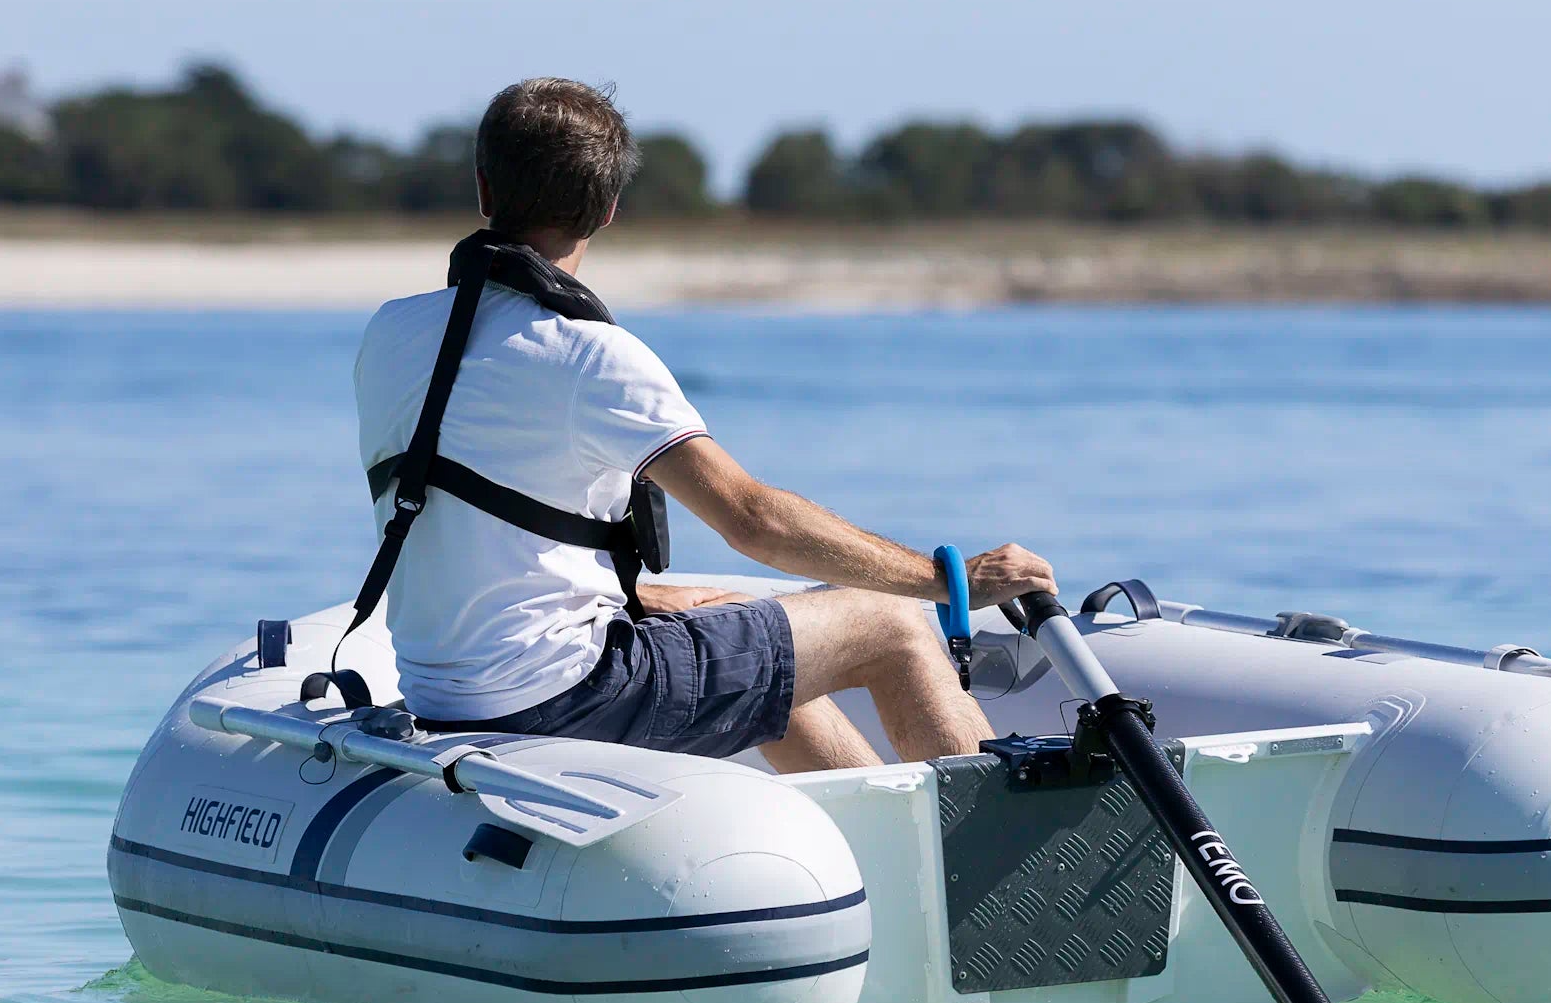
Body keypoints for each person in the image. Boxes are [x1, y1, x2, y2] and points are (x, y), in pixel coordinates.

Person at [352, 77, 1055, 772]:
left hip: (444, 692)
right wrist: (950, 580)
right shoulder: (589, 357)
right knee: (891, 622)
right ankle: (982, 868)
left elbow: (477, 527)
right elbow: (753, 522)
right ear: (608, 211)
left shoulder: (392, 334)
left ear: (483, 189)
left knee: (754, 639)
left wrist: (633, 598)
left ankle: (870, 855)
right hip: (563, 696)